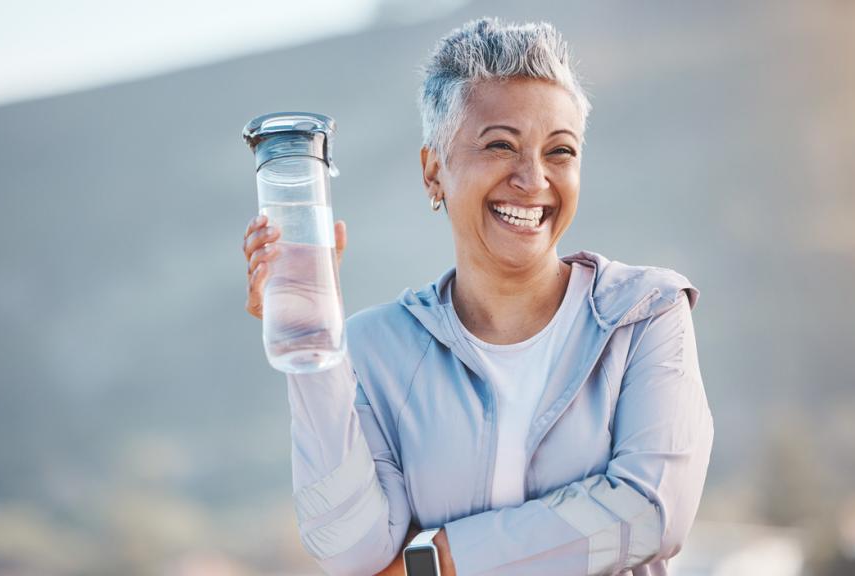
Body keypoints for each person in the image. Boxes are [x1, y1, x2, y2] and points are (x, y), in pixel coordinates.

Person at [242, 17, 713, 576]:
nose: (533, 179)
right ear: (433, 171)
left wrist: (435, 562)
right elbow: (351, 549)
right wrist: (312, 343)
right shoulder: (371, 349)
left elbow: (649, 512)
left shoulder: (643, 314)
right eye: (500, 145)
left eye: (560, 152)